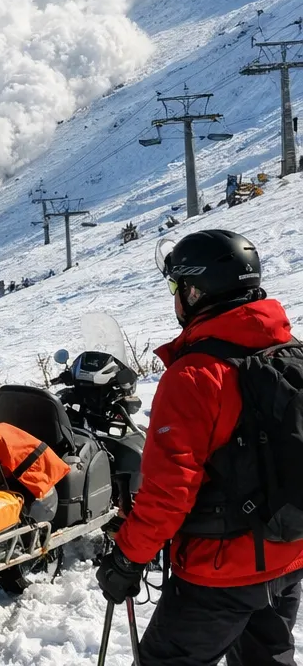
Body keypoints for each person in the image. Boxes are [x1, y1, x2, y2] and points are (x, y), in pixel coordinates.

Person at [96, 229, 303, 666]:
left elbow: (168, 492)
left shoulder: (194, 375)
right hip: (288, 558)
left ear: (195, 290)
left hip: (219, 573)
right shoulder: (291, 354)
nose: (175, 298)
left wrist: (128, 559)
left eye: (177, 287)